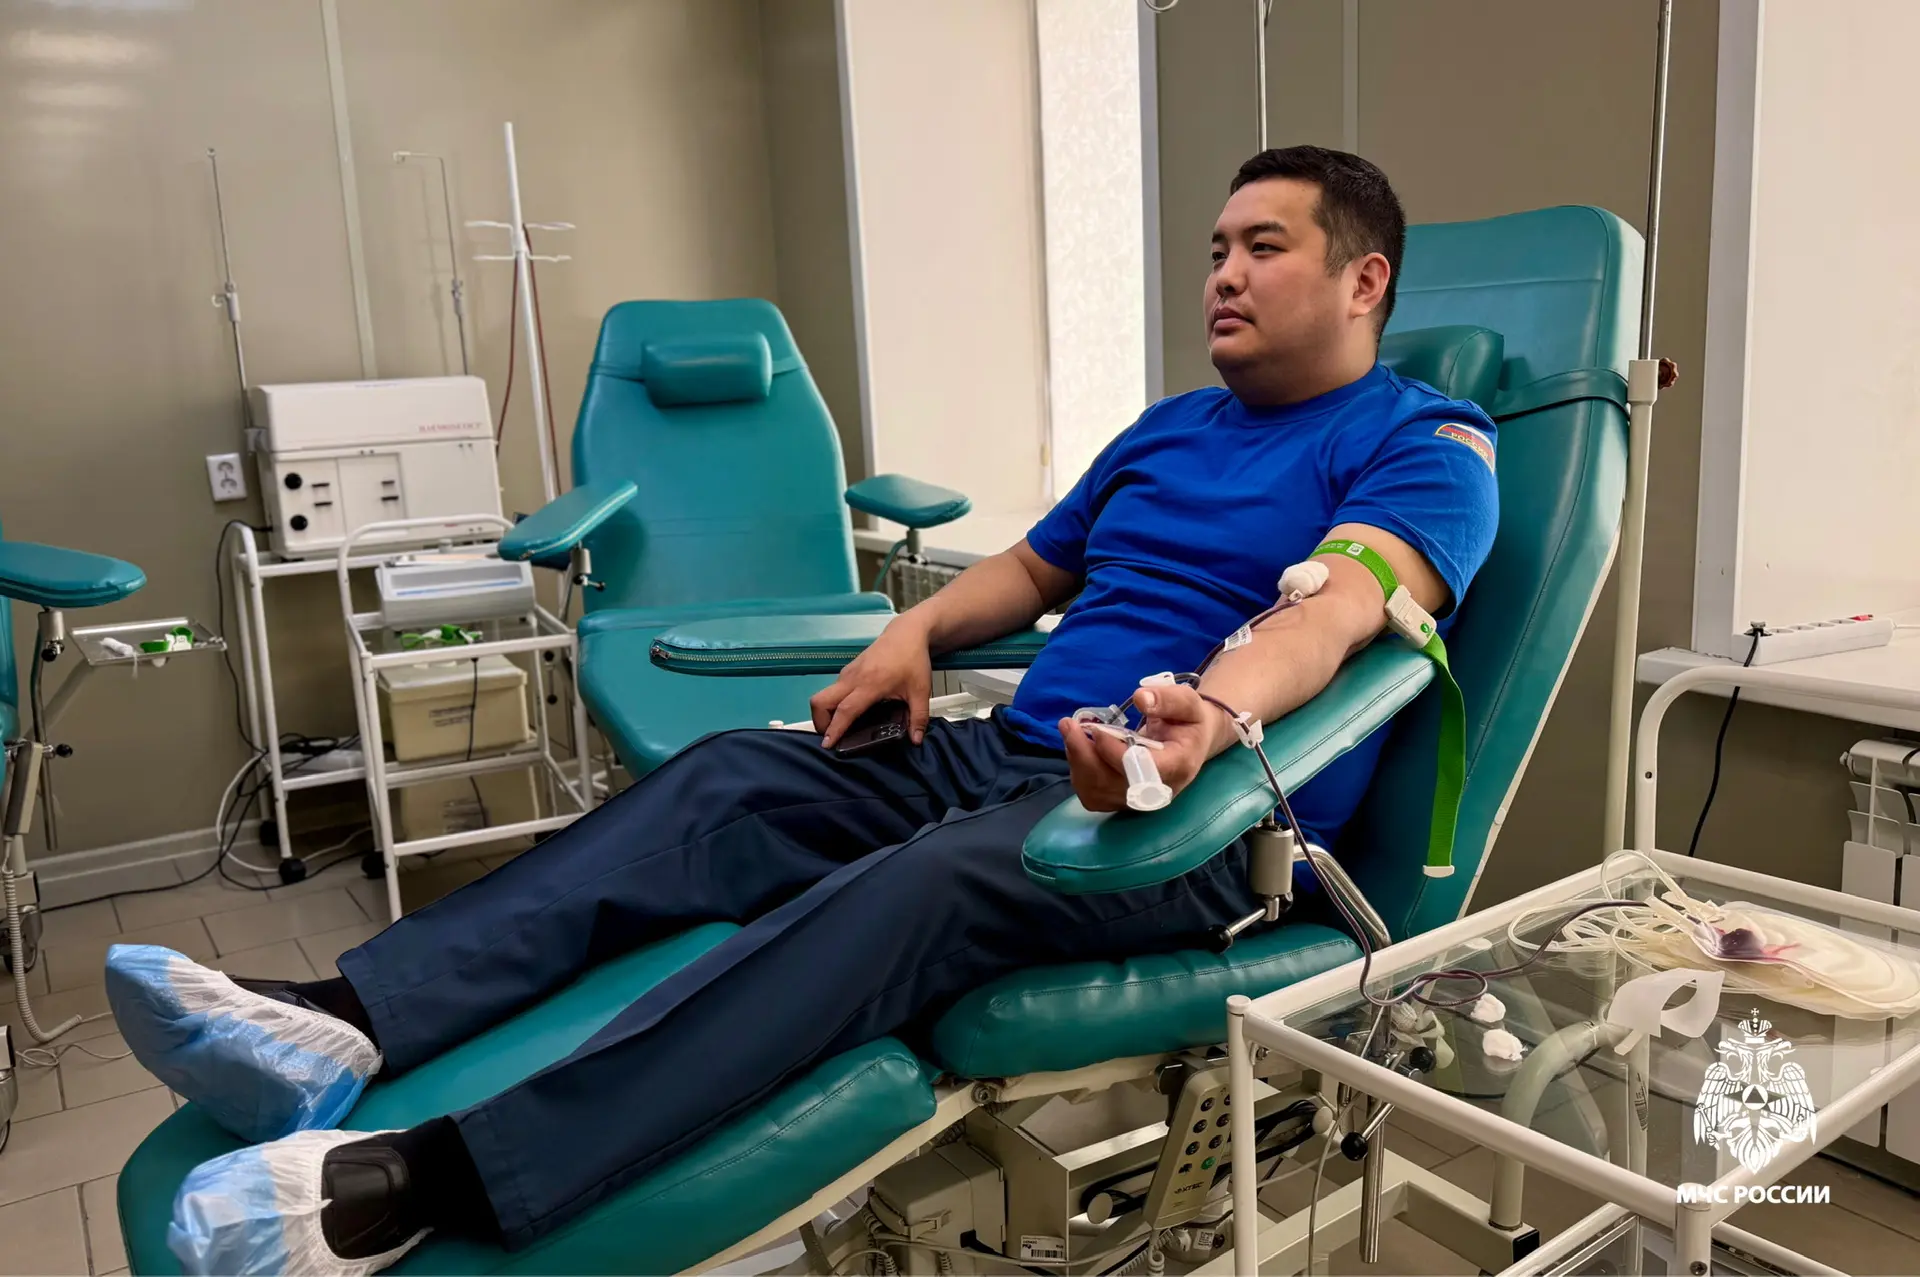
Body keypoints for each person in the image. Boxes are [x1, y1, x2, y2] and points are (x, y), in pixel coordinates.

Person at [109, 145, 1500, 1276]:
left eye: (1263, 246)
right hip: (1013, 755)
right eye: (1215, 248)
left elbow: (1335, 608)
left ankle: (431, 1179)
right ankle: (344, 1024)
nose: (1224, 274)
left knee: (910, 893)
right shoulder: (1169, 428)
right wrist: (912, 633)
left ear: (1363, 278)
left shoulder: (1426, 444)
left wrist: (1204, 718)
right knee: (734, 779)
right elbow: (1034, 570)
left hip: (1195, 831)